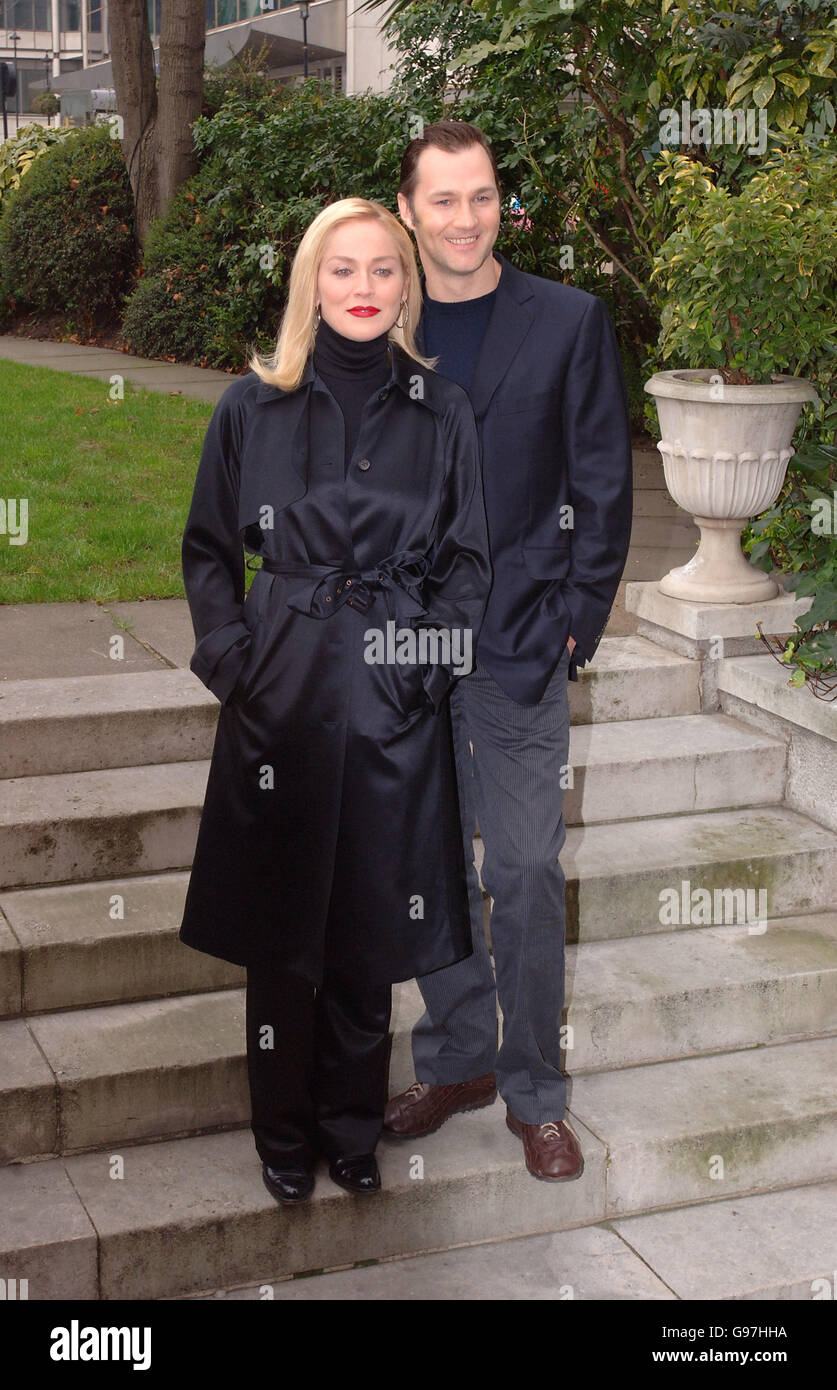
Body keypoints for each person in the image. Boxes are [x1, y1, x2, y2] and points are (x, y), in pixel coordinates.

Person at [178, 197, 491, 1204]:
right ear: (313, 280)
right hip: (282, 697)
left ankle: (353, 1127)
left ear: (407, 286)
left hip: (393, 702)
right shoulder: (250, 405)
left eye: (383, 270)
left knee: (370, 933)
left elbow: (469, 568)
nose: (364, 288)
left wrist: (420, 668)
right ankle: (281, 1133)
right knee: (281, 937)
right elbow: (208, 552)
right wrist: (235, 660)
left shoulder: (442, 411)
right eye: (343, 269)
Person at [384, 122, 633, 1181]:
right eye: (442, 199)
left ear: (500, 202)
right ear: (409, 210)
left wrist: (578, 614)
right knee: (427, 871)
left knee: (525, 869)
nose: (464, 217)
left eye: (481, 196)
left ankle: (536, 1090)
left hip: (524, 640)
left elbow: (603, 480)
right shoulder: (374, 318)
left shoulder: (569, 321)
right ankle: (457, 1058)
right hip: (400, 649)